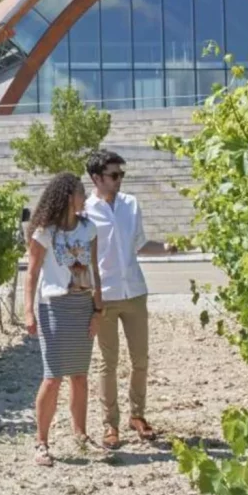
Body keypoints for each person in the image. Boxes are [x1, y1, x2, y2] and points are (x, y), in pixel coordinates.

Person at [84, 150, 173, 450]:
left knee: (140, 359)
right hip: (104, 296)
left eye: (121, 174)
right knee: (107, 363)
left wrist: (168, 248)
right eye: (113, 175)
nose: (119, 179)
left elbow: (140, 244)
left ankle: (138, 415)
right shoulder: (85, 211)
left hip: (134, 291)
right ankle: (110, 424)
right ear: (96, 178)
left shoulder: (131, 204)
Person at [23, 172, 104, 467]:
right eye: (81, 193)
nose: (85, 198)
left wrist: (98, 310)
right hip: (54, 307)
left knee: (80, 375)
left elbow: (94, 270)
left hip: (82, 306)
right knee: (53, 376)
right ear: (69, 197)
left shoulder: (89, 228)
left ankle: (81, 434)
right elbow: (32, 273)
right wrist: (28, 311)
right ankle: (41, 442)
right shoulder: (45, 232)